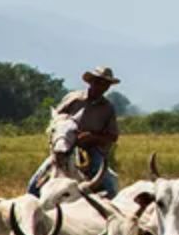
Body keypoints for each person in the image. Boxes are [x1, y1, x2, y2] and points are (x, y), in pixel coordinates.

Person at [27, 66, 121, 197]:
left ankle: (108, 209)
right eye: (98, 82)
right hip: (66, 144)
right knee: (34, 185)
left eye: (106, 84)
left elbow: (113, 136)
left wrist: (92, 137)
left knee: (108, 186)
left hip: (91, 150)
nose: (101, 86)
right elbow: (57, 118)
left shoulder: (108, 108)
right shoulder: (74, 98)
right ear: (91, 82)